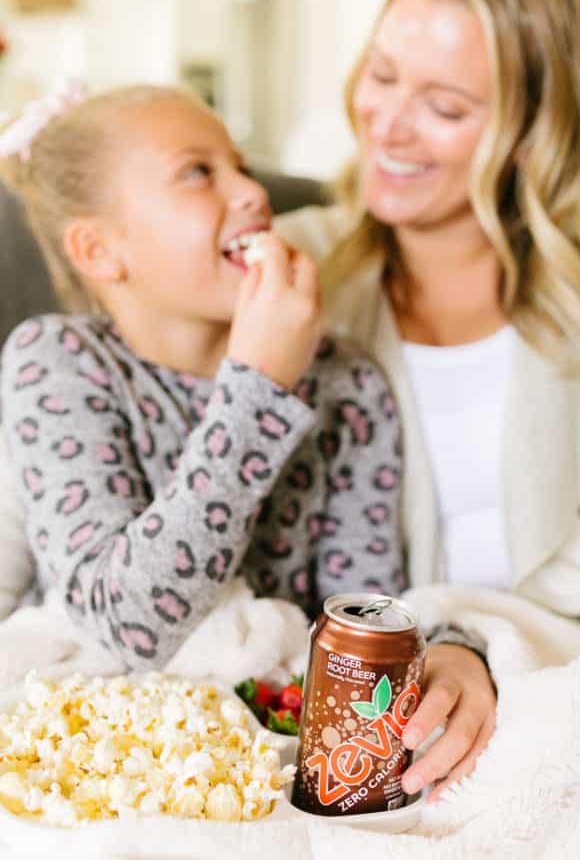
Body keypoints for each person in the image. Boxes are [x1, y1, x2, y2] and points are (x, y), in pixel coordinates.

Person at [276, 0, 580, 810]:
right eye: (380, 76)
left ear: (540, 131)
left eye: (445, 107)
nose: (385, 123)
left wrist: (494, 647)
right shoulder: (293, 272)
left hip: (566, 680)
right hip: (363, 703)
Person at [0, 83, 490, 801]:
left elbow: (360, 611)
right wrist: (258, 388)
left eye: (241, 166)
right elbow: (127, 626)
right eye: (198, 172)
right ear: (99, 250)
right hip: (110, 746)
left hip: (263, 755)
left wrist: (453, 646)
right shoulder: (58, 362)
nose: (252, 194)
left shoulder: (343, 380)